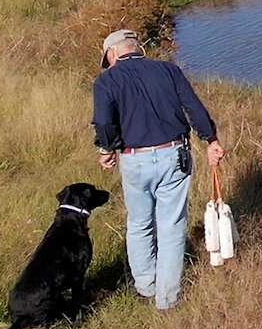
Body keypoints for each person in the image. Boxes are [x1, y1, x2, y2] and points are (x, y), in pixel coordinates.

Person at [92, 29, 225, 310]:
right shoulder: (168, 70)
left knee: (139, 223)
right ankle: (168, 299)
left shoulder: (106, 81)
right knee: (172, 226)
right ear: (137, 48)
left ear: (113, 53)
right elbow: (194, 108)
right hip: (174, 155)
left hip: (133, 158)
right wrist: (211, 139)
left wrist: (107, 150)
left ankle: (146, 286)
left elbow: (104, 122)